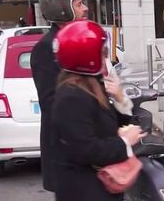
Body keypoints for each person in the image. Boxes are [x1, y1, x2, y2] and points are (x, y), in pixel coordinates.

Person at [51, 20, 145, 201]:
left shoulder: (91, 85)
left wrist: (119, 98)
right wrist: (124, 141)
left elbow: (113, 123)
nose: (106, 60)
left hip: (101, 187)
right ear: (87, 57)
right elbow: (86, 149)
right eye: (102, 55)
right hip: (85, 191)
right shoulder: (72, 97)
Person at [30, 0, 88, 192]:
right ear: (63, 10)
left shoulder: (79, 40)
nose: (85, 8)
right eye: (79, 4)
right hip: (67, 150)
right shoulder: (46, 48)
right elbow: (52, 103)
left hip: (86, 145)